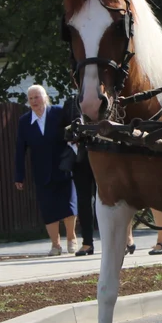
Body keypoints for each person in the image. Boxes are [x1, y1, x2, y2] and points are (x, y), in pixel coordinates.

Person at [14, 85, 77, 256]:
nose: (34, 101)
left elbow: (73, 133)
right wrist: (19, 176)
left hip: (63, 167)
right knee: (48, 209)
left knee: (69, 205)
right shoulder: (24, 122)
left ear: (45, 97)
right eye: (31, 98)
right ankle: (55, 245)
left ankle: (71, 239)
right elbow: (20, 150)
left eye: (37, 97)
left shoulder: (58, 112)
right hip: (41, 172)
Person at [62, 96, 97, 256]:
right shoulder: (71, 103)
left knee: (112, 199)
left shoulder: (105, 100)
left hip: (104, 156)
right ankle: (87, 242)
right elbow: (62, 130)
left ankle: (126, 239)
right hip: (81, 159)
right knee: (84, 201)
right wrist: (71, 137)